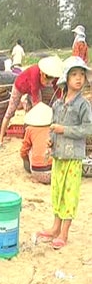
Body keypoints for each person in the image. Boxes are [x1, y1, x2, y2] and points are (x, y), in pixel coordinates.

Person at [37, 56, 92, 250]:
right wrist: (51, 140)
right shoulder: (58, 105)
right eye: (74, 74)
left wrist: (64, 130)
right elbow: (53, 128)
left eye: (82, 75)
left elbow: (88, 129)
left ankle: (64, 233)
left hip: (74, 157)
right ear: (66, 79)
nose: (79, 78)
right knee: (57, 191)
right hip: (59, 155)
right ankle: (55, 227)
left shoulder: (83, 105)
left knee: (70, 194)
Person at [0, 55, 63, 147]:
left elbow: (58, 91)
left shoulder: (54, 75)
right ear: (42, 74)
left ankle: (31, 136)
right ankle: (0, 139)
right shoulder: (35, 73)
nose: (48, 84)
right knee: (10, 111)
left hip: (36, 88)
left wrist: (62, 102)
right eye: (46, 82)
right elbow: (36, 102)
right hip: (20, 86)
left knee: (33, 110)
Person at [20, 102, 53, 184]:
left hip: (37, 172)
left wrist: (25, 159)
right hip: (55, 173)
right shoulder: (53, 128)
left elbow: (23, 150)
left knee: (30, 149)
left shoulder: (30, 129)